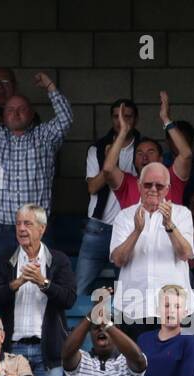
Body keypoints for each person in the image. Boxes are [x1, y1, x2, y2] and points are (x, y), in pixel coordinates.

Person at [0, 66, 73, 269]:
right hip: (1, 231)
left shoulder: (44, 136)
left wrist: (49, 85)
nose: (15, 113)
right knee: (0, 290)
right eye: (10, 109)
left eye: (21, 109)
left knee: (40, 286)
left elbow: (66, 119)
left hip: (37, 230)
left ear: (31, 113)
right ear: (4, 115)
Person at [0, 203, 77, 376]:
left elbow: (69, 299)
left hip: (48, 351)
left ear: (41, 229)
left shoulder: (58, 260)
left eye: (27, 223)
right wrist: (16, 283)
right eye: (18, 224)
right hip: (13, 351)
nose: (21, 229)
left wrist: (44, 283)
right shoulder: (7, 260)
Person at [110, 163, 194, 338]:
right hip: (133, 307)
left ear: (168, 189)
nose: (153, 189)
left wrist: (169, 225)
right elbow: (118, 260)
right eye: (148, 184)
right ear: (138, 186)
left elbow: (186, 254)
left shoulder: (181, 214)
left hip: (174, 309)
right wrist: (137, 231)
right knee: (135, 364)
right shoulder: (125, 216)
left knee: (173, 363)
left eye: (159, 186)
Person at [77, 98, 140, 298]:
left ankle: (122, 330)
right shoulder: (98, 149)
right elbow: (92, 187)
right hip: (98, 227)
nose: (121, 121)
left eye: (127, 116)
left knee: (130, 293)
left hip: (130, 229)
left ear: (136, 120)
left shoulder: (144, 148)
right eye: (116, 116)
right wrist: (108, 167)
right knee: (78, 290)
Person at [99, 92, 194, 214]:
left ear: (161, 159)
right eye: (139, 153)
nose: (144, 157)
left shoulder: (172, 180)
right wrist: (123, 131)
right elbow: (108, 169)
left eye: (151, 152)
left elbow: (186, 154)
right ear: (134, 162)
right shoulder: (127, 183)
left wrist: (166, 120)